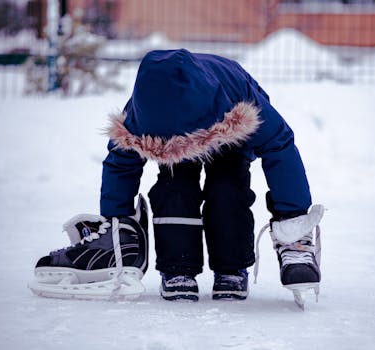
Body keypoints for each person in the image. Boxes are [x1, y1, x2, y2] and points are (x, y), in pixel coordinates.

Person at [29, 49, 323, 305]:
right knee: (175, 187)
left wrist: (293, 219)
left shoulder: (241, 101)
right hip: (173, 143)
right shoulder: (139, 114)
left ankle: (231, 268)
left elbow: (280, 149)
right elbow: (121, 164)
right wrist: (119, 223)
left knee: (227, 186)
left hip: (228, 133)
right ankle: (178, 266)